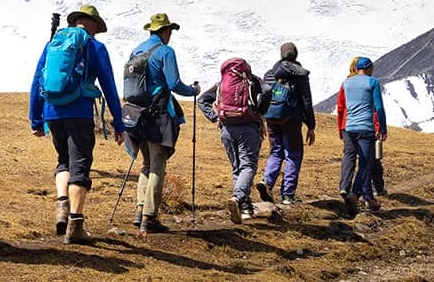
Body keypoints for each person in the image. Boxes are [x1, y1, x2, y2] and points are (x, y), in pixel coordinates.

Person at [29, 5, 126, 244]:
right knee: (80, 165)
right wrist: (118, 122)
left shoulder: (53, 43)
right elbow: (108, 85)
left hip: (52, 111)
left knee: (64, 160)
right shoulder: (95, 47)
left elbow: (38, 80)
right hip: (80, 112)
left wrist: (36, 118)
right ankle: (75, 225)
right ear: (93, 25)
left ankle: (62, 206)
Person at [124, 13, 199, 235]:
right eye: (170, 31)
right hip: (157, 115)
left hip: (136, 116)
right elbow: (174, 83)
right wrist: (193, 90)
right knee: (158, 165)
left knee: (146, 163)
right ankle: (150, 217)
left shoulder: (136, 51)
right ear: (165, 31)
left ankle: (140, 211)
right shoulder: (165, 51)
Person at [198, 57, 270, 224]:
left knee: (237, 168)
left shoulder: (221, 83)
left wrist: (215, 117)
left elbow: (202, 100)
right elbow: (267, 91)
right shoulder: (252, 80)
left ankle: (245, 209)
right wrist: (259, 112)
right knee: (248, 166)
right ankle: (238, 198)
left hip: (227, 129)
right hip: (248, 128)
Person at [256, 42, 316, 205]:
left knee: (276, 152)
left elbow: (264, 96)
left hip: (271, 118)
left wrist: (261, 118)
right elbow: (306, 101)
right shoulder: (300, 74)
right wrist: (311, 126)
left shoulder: (270, 73)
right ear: (295, 55)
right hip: (292, 120)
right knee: (293, 155)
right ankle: (288, 195)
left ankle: (267, 182)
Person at [336, 57, 387, 214]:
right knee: (366, 162)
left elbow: (342, 106)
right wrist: (383, 128)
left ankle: (349, 189)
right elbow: (379, 107)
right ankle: (355, 193)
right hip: (365, 127)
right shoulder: (373, 82)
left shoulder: (347, 83)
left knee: (350, 156)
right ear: (368, 67)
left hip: (349, 127)